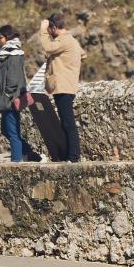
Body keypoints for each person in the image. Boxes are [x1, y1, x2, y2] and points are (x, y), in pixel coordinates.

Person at [0, 25, 42, 162]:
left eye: (0, 37)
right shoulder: (8, 53)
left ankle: (16, 161)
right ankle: (30, 154)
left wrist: (6, 97)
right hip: (8, 99)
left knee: (12, 132)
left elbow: (13, 80)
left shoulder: (13, 55)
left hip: (10, 100)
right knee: (6, 130)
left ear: (7, 37)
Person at [39, 13, 83, 162]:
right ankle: (69, 154)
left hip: (64, 86)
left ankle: (73, 155)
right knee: (65, 121)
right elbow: (83, 54)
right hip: (66, 85)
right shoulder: (72, 41)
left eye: (50, 29)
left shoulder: (64, 40)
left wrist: (43, 30)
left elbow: (47, 47)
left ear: (54, 27)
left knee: (68, 122)